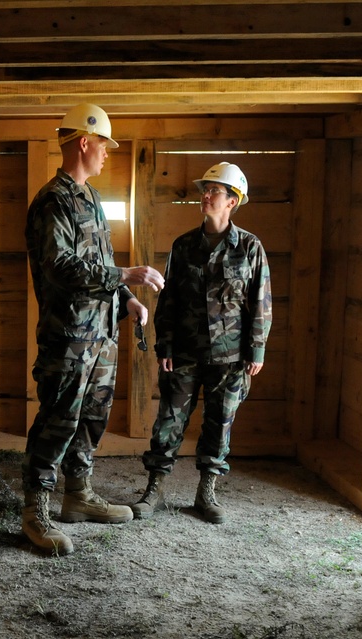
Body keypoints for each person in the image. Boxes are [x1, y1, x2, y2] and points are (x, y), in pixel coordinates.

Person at [22, 103, 165, 555]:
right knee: (58, 420)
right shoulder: (52, 201)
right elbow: (61, 266)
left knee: (92, 417)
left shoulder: (89, 198)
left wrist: (126, 301)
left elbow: (97, 264)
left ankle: (78, 496)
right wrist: (126, 276)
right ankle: (35, 511)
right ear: (84, 143)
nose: (107, 154)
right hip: (68, 338)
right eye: (104, 145)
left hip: (101, 336)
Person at [131, 162, 272, 524]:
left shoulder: (250, 248)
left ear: (232, 202)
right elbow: (169, 301)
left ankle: (206, 492)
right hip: (185, 354)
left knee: (219, 423)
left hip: (231, 357)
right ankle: (154, 490)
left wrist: (256, 350)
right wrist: (165, 345)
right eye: (204, 190)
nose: (205, 196)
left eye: (214, 191)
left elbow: (260, 302)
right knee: (168, 422)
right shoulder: (184, 246)